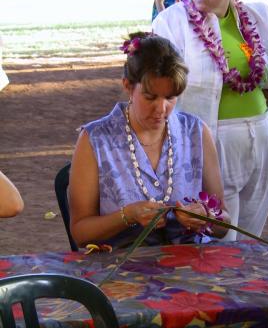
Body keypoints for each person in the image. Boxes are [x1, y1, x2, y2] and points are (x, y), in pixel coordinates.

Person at [152, 0, 268, 240]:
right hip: (211, 144)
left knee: (250, 239)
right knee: (219, 241)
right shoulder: (172, 22)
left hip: (262, 138)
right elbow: (157, 83)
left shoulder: (256, 16)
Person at [69, 32, 230, 249]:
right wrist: (127, 216)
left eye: (170, 98)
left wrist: (206, 216)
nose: (161, 109)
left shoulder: (196, 132)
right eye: (150, 97)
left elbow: (223, 223)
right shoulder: (95, 140)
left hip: (191, 260)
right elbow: (80, 233)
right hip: (122, 268)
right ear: (128, 86)